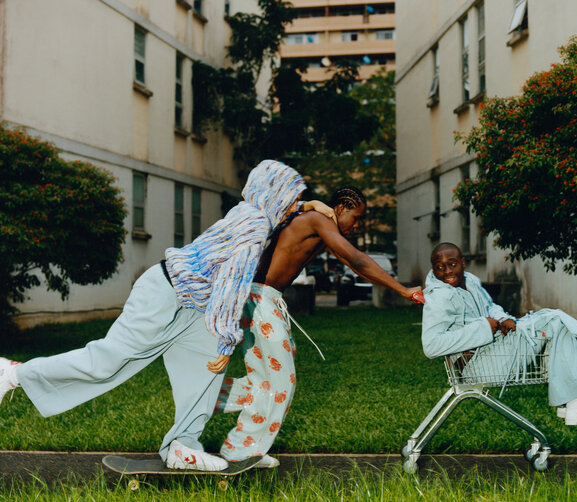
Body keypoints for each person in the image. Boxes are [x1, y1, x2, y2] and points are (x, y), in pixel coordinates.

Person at [0, 160, 335, 471]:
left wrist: (308, 205)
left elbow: (275, 216)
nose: (294, 206)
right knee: (109, 361)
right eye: (292, 198)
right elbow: (232, 287)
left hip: (193, 306)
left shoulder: (251, 211)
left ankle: (182, 446)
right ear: (276, 195)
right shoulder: (254, 227)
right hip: (166, 294)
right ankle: (15, 373)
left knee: (204, 375)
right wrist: (227, 339)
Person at [211, 186, 423, 466]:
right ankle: (214, 408)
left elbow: (354, 264)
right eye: (356, 218)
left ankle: (235, 434)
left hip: (263, 299)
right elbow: (358, 258)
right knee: (282, 382)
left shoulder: (319, 224)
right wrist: (403, 290)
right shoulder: (318, 221)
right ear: (341, 208)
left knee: (267, 381)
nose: (357, 226)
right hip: (259, 299)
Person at [421, 242, 577, 426]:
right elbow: (431, 346)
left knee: (555, 320)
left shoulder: (470, 280)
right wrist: (483, 327)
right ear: (433, 269)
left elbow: (489, 306)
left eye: (452, 264)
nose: (447, 271)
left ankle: (575, 401)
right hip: (477, 365)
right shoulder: (438, 297)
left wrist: (502, 319)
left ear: (463, 263)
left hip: (492, 349)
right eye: (439, 267)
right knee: (555, 320)